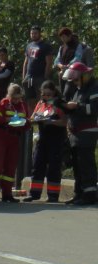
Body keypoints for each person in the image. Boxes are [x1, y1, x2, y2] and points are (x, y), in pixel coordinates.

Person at [61, 62, 98, 205]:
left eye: (76, 79)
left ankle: (89, 195)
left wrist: (77, 106)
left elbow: (94, 109)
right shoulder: (79, 90)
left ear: (84, 76)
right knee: (77, 164)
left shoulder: (94, 89)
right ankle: (79, 193)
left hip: (87, 132)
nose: (74, 83)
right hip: (76, 133)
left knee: (86, 164)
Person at [24, 81, 67, 202]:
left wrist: (51, 122)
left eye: (48, 95)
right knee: (37, 165)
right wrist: (29, 120)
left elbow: (64, 122)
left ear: (53, 93)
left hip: (56, 139)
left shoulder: (59, 104)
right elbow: (32, 118)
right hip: (42, 139)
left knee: (54, 167)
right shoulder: (40, 103)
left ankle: (53, 195)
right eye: (44, 95)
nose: (46, 97)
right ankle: (34, 194)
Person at [0, 84, 31, 203]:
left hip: (14, 138)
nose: (16, 100)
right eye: (14, 98)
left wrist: (23, 123)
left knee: (10, 168)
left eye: (18, 98)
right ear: (9, 95)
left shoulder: (23, 105)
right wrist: (7, 120)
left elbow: (28, 122)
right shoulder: (3, 104)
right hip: (1, 137)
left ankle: (7, 194)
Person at [22, 26, 54, 113]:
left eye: (35, 33)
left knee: (42, 99)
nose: (33, 35)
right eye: (32, 33)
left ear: (40, 34)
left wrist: (46, 78)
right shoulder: (29, 46)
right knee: (30, 100)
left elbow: (49, 63)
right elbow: (26, 62)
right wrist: (23, 77)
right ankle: (32, 121)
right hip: (29, 77)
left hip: (40, 77)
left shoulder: (46, 46)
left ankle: (42, 118)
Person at [54, 27, 95, 94]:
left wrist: (67, 67)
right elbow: (56, 61)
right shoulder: (62, 47)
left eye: (64, 37)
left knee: (67, 93)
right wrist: (61, 66)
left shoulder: (78, 46)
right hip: (62, 74)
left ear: (69, 36)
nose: (62, 39)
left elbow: (77, 59)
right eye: (61, 37)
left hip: (73, 74)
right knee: (63, 93)